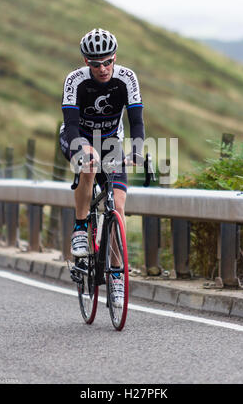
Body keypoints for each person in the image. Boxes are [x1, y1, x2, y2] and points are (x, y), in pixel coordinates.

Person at [59, 28, 144, 304]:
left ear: (115, 57)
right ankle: (81, 228)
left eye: (108, 62)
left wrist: (137, 149)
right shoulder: (75, 81)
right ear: (87, 63)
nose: (104, 68)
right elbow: (71, 126)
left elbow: (137, 122)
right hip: (77, 137)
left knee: (117, 207)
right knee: (88, 165)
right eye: (97, 64)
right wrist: (83, 146)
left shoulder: (127, 78)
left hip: (110, 142)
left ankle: (117, 276)